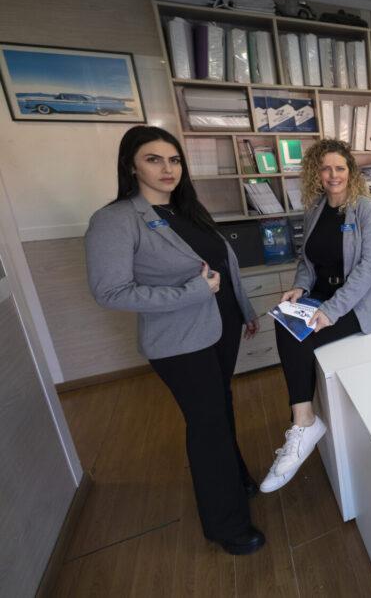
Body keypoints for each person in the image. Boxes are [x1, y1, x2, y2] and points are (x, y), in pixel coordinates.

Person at [84, 125, 264, 555]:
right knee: (207, 425)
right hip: (180, 341)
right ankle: (227, 525)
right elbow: (110, 292)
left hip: (222, 326)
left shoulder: (187, 210)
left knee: (220, 406)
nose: (167, 169)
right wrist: (194, 292)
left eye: (174, 160)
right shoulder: (114, 220)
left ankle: (234, 478)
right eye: (153, 159)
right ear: (131, 164)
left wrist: (245, 309)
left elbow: (224, 264)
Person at [260, 139, 371, 492]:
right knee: (284, 322)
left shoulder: (365, 209)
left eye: (340, 167)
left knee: (301, 335)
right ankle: (304, 420)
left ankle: (303, 423)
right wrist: (300, 290)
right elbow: (308, 262)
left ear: (350, 172)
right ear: (316, 174)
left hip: (360, 301)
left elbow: (368, 269)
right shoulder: (315, 209)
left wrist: (331, 311)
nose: (333, 174)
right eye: (326, 168)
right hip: (322, 294)